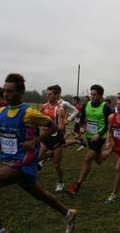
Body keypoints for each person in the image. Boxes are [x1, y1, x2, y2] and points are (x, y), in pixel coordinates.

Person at [0, 73, 76, 233]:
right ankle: (68, 213)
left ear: (21, 93)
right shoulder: (1, 111)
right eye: (4, 91)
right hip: (10, 161)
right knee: (40, 195)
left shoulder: (29, 113)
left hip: (24, 162)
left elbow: (54, 127)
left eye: (10, 91)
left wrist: (36, 140)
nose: (6, 94)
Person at [66, 84, 113, 196]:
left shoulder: (105, 107)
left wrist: (99, 134)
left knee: (87, 159)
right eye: (91, 94)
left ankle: (77, 186)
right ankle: (113, 150)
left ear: (100, 96)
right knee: (99, 160)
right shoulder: (86, 105)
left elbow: (108, 125)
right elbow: (82, 119)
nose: (92, 96)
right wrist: (82, 127)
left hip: (99, 137)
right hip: (89, 135)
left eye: (95, 94)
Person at [37, 85, 66, 192]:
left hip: (56, 139)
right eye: (47, 94)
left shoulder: (60, 109)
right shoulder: (45, 106)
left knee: (56, 164)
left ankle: (60, 182)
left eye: (50, 94)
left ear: (57, 95)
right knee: (37, 157)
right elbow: (40, 118)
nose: (48, 96)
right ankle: (51, 155)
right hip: (46, 137)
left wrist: (48, 128)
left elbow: (61, 127)